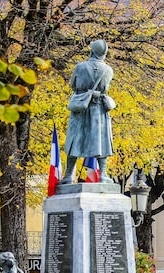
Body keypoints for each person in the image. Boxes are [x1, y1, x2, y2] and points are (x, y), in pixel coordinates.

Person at [62, 39, 115, 184]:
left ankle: (68, 175)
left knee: (74, 140)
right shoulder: (108, 70)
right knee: (101, 141)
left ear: (91, 51)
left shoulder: (80, 67)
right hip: (99, 110)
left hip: (81, 108)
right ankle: (103, 174)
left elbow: (73, 85)